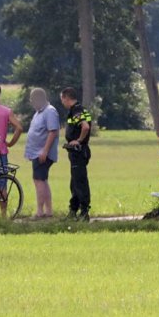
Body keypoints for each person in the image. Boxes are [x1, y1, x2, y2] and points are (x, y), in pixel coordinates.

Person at [24, 88, 59, 218]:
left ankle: (40, 211)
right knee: (42, 180)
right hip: (36, 153)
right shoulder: (38, 112)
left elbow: (53, 132)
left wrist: (45, 151)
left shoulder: (50, 111)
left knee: (39, 181)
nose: (31, 102)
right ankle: (48, 211)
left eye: (32, 100)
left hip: (42, 153)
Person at [60, 87, 92, 221]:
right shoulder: (80, 109)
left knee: (80, 182)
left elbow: (85, 126)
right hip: (77, 152)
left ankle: (84, 212)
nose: (62, 102)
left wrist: (77, 141)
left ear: (66, 98)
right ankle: (73, 210)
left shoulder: (76, 110)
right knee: (75, 183)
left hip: (79, 151)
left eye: (62, 99)